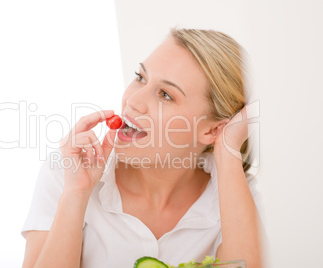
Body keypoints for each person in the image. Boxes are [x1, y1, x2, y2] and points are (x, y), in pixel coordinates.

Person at [21, 28, 265, 268]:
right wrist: (76, 194)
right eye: (140, 78)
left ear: (212, 130)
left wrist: (227, 147)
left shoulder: (237, 195)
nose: (133, 101)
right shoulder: (69, 172)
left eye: (165, 95)